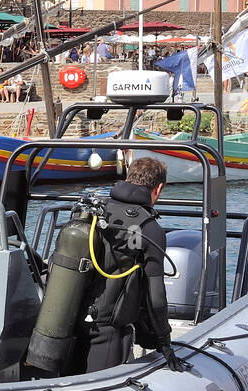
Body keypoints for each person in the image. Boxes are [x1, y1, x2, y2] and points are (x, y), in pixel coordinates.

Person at [70, 157, 181, 375]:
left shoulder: (94, 212)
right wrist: (164, 341)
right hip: (108, 333)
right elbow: (155, 295)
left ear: (128, 178)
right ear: (158, 188)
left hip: (70, 319)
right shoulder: (150, 229)